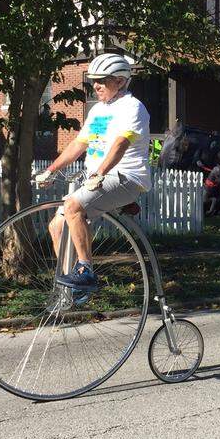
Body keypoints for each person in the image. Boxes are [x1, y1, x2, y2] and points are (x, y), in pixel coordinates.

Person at [34, 53, 150, 298]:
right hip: (99, 177)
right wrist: (51, 170)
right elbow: (79, 144)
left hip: (125, 177)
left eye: (102, 80)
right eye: (93, 80)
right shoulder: (97, 111)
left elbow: (120, 144)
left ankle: (85, 270)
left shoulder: (133, 107)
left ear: (120, 81)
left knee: (73, 205)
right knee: (56, 226)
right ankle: (73, 286)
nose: (96, 85)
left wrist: (100, 172)